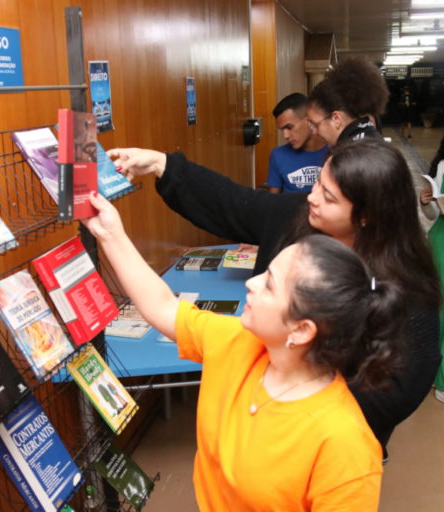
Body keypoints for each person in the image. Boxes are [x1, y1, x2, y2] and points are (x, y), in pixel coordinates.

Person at [107, 139, 441, 458]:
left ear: (367, 214)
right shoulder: (300, 220)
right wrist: (161, 164)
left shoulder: (405, 289)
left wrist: (296, 400)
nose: (311, 198)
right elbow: (233, 203)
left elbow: (399, 388)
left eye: (328, 196)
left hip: (326, 438)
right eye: (317, 183)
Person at [84, 188, 404, 510]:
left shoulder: (344, 444)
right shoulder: (238, 342)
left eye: (269, 284)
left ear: (301, 329)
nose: (252, 282)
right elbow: (164, 307)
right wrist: (110, 234)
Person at [306, 57, 388, 147]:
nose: (313, 132)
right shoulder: (376, 143)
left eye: (314, 124)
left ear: (336, 119)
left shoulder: (349, 155)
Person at [420, 136, 444, 403]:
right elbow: (432, 217)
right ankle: (438, 377)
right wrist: (426, 203)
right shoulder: (442, 166)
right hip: (441, 242)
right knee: (439, 308)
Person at [267, 93, 327, 193]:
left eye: (289, 127)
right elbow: (272, 202)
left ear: (309, 121)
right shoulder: (278, 155)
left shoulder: (336, 151)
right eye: (282, 130)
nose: (285, 135)